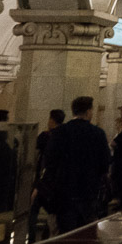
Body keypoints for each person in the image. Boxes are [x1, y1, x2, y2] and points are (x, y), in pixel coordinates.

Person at [42, 95, 110, 233]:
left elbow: (49, 161)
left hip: (64, 193)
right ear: (88, 111)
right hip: (88, 193)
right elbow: (105, 163)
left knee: (65, 235)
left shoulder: (60, 132)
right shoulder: (98, 133)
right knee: (86, 234)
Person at [28, 108, 65, 244]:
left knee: (33, 210)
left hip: (42, 181)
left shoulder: (45, 137)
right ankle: (45, 237)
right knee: (52, 212)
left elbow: (36, 157)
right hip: (56, 183)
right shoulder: (64, 137)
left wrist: (37, 183)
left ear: (51, 120)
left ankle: (32, 241)